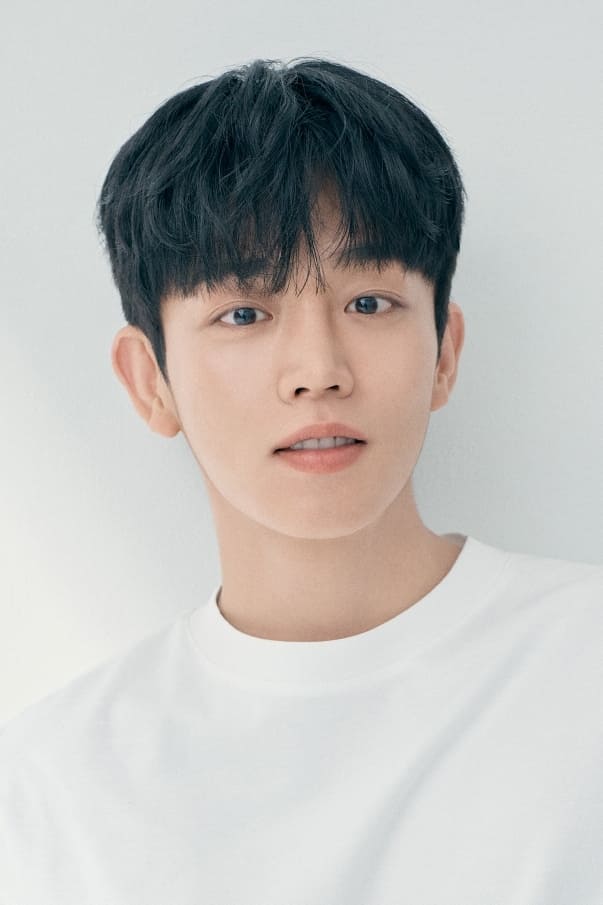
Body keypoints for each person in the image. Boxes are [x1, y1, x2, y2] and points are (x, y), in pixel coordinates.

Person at [1, 57, 601, 905]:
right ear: (149, 381)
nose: (317, 370)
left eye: (369, 303)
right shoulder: (49, 791)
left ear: (444, 351)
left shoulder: (582, 663)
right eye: (244, 313)